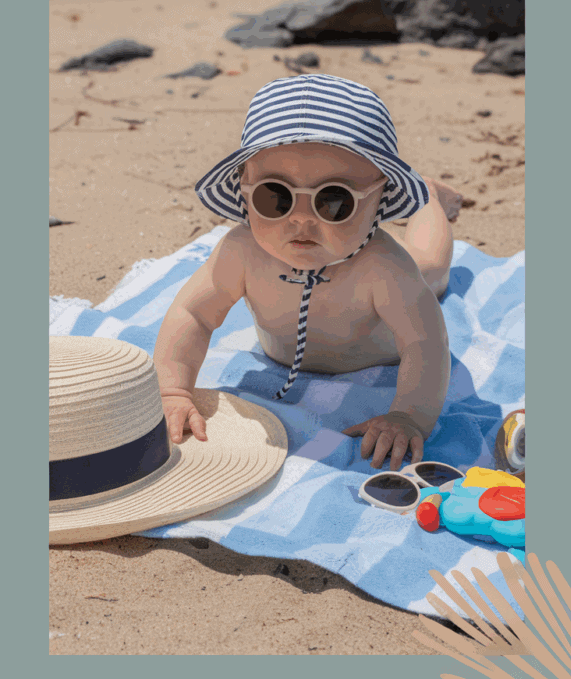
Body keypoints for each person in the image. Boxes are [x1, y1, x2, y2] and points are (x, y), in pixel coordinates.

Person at [153, 74, 461, 471]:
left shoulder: (383, 266)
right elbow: (193, 315)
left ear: (380, 199)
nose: (301, 221)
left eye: (334, 201)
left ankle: (429, 197)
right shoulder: (242, 251)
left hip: (378, 352)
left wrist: (408, 416)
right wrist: (173, 389)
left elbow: (426, 344)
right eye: (275, 197)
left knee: (431, 264)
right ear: (244, 190)